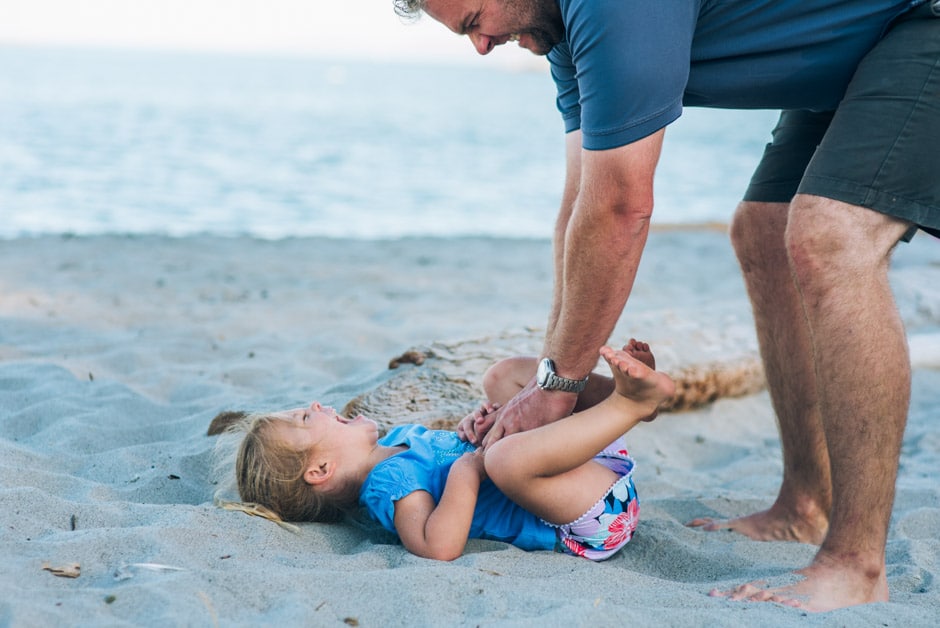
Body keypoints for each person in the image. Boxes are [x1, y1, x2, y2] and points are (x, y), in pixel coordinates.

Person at [391, 0, 939, 612]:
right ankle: (805, 505)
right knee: (763, 229)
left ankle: (858, 566)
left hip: (920, 23)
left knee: (828, 237)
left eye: (473, 22)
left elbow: (623, 208)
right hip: (859, 52)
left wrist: (559, 384)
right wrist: (549, 379)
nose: (482, 46)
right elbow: (581, 205)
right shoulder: (564, 32)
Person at [219, 341, 674, 561]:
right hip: (591, 516)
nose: (317, 405)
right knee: (502, 460)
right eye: (305, 418)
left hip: (584, 466)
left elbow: (455, 451)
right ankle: (629, 404)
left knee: (505, 378)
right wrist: (470, 469)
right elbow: (437, 546)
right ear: (321, 468)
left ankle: (623, 398)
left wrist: (478, 427)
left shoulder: (400, 441)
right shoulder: (386, 486)